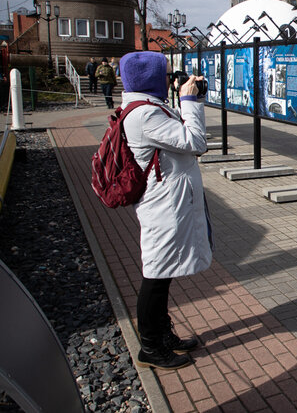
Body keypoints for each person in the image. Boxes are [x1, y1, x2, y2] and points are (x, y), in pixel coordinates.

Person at [118, 50, 212, 370]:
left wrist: (190, 100)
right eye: (164, 73)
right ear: (152, 78)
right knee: (156, 275)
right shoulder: (145, 114)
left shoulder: (148, 107)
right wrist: (188, 103)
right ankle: (150, 347)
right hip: (163, 206)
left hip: (167, 201)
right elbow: (195, 141)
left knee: (163, 272)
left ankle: (161, 334)